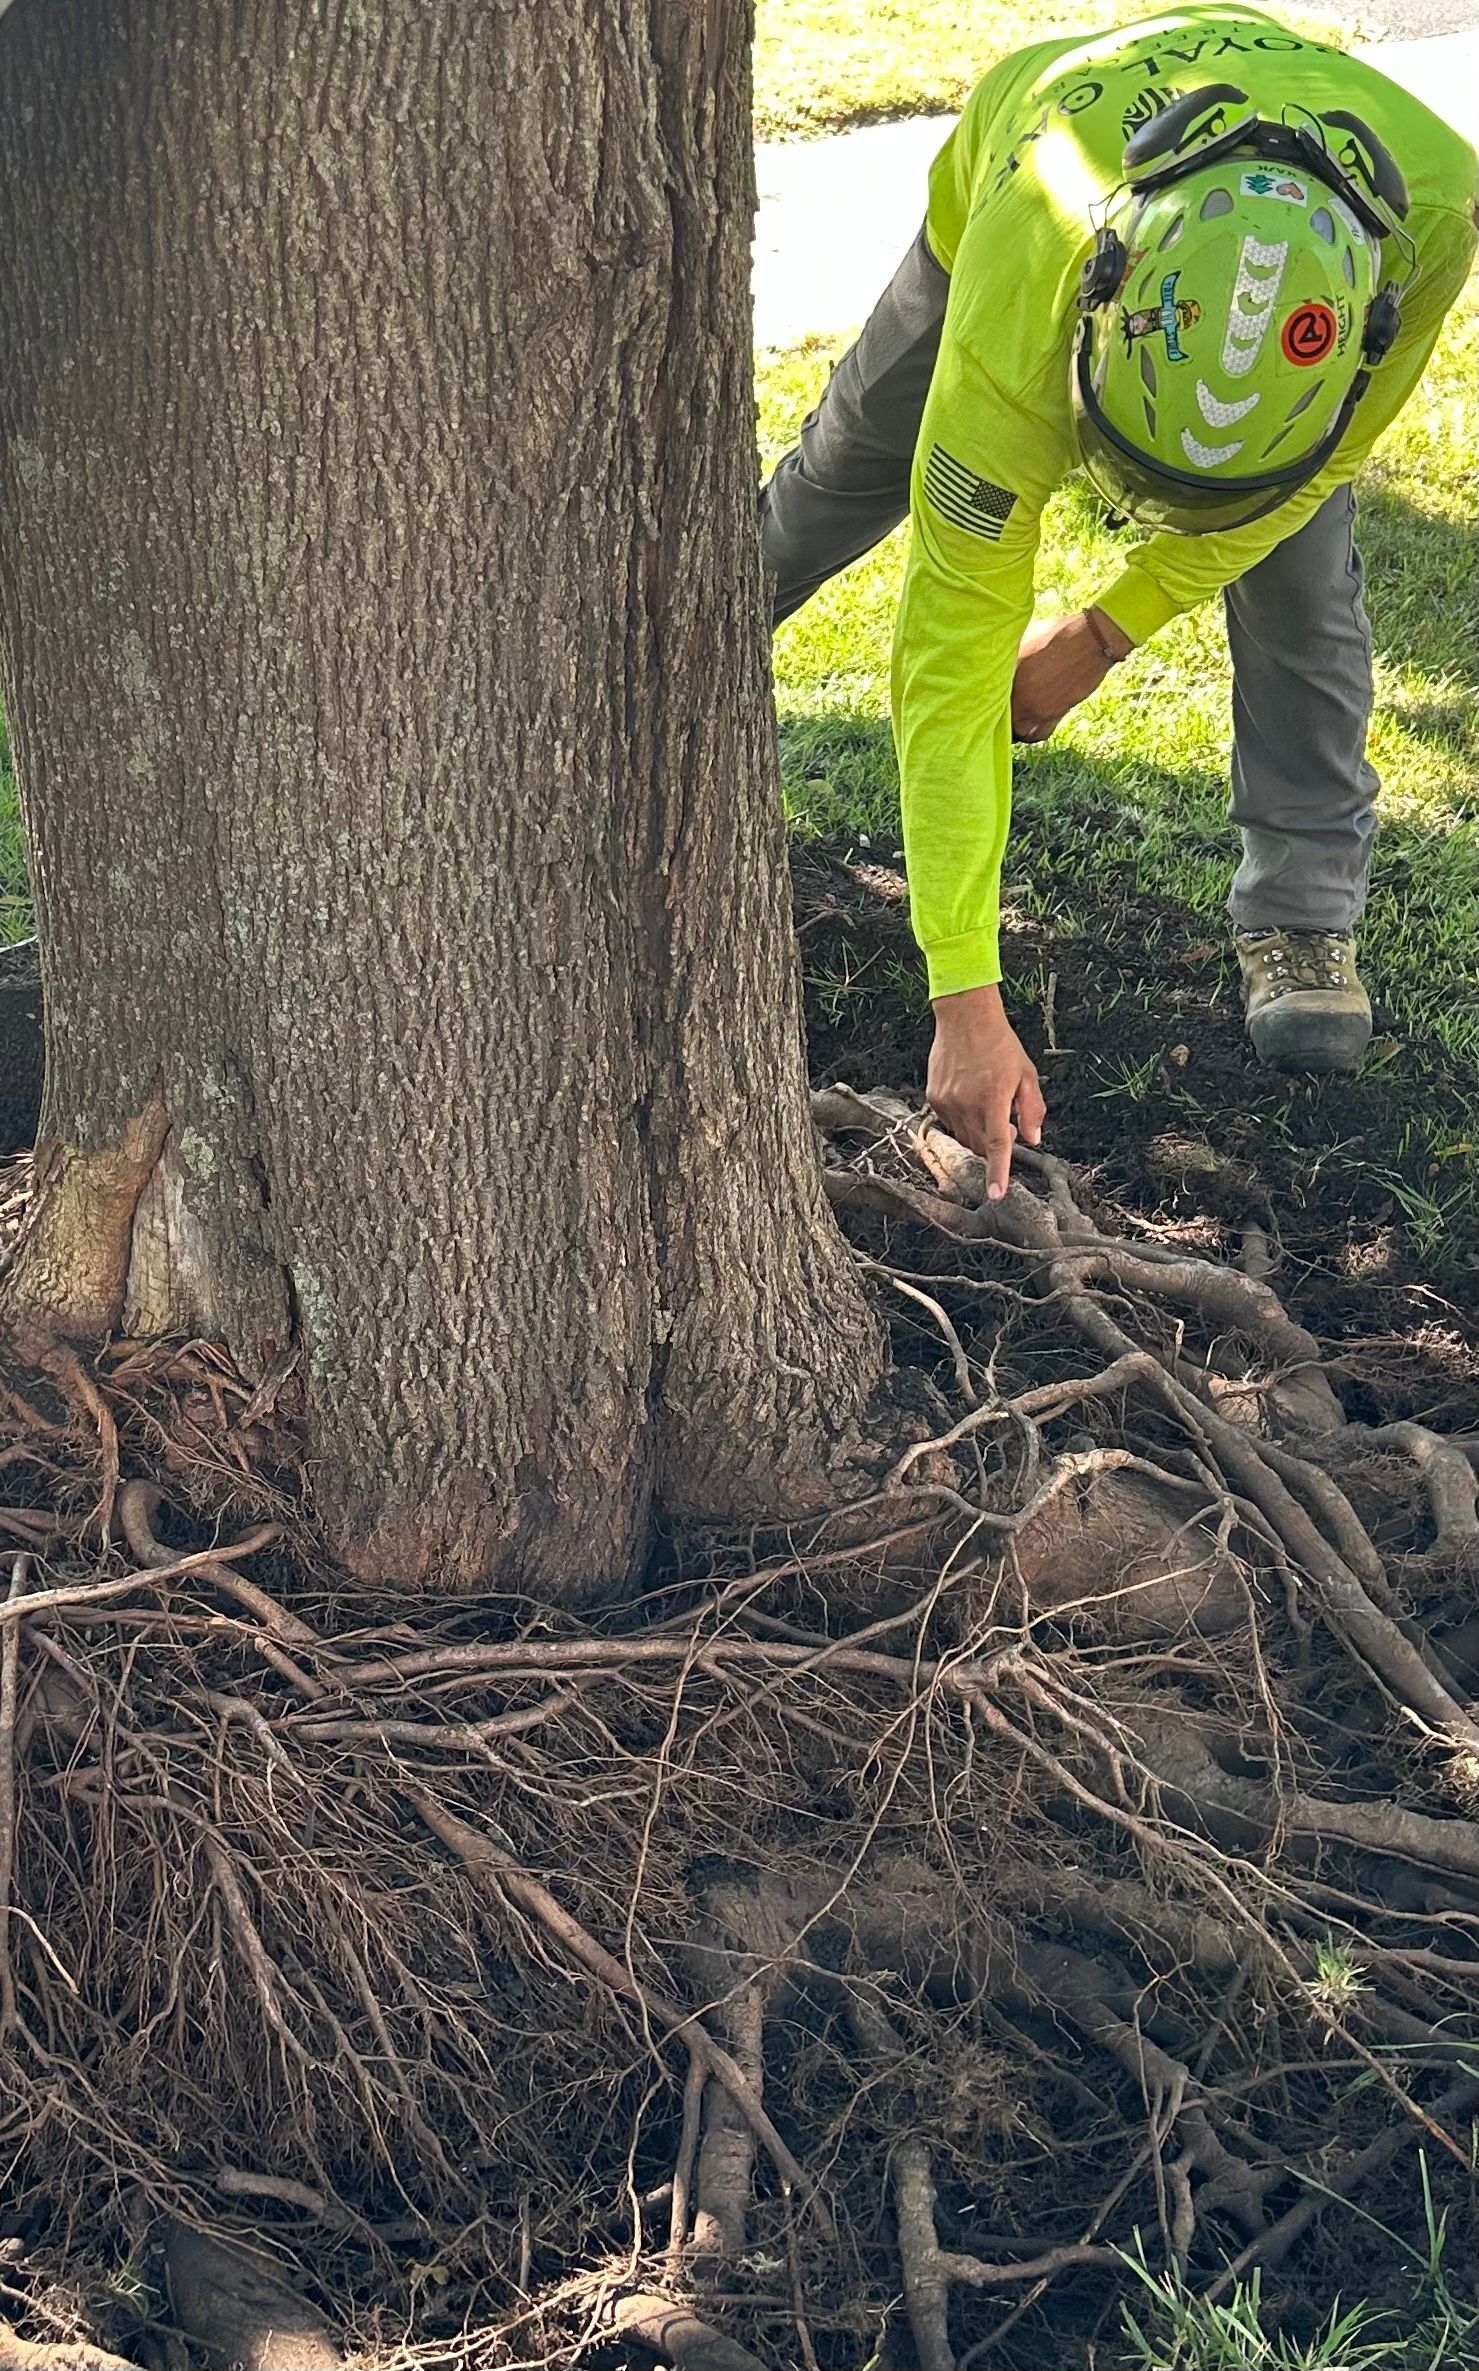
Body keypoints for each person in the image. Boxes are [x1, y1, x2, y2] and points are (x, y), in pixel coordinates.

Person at [759, 5, 1477, 1200]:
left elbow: (1316, 474)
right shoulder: (1013, 331)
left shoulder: (1432, 212)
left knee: (1303, 577)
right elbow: (948, 665)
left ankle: (1303, 919)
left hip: (1284, 178)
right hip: (1026, 158)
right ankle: (662, 673)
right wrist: (967, 1004)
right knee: (843, 471)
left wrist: (1104, 631)